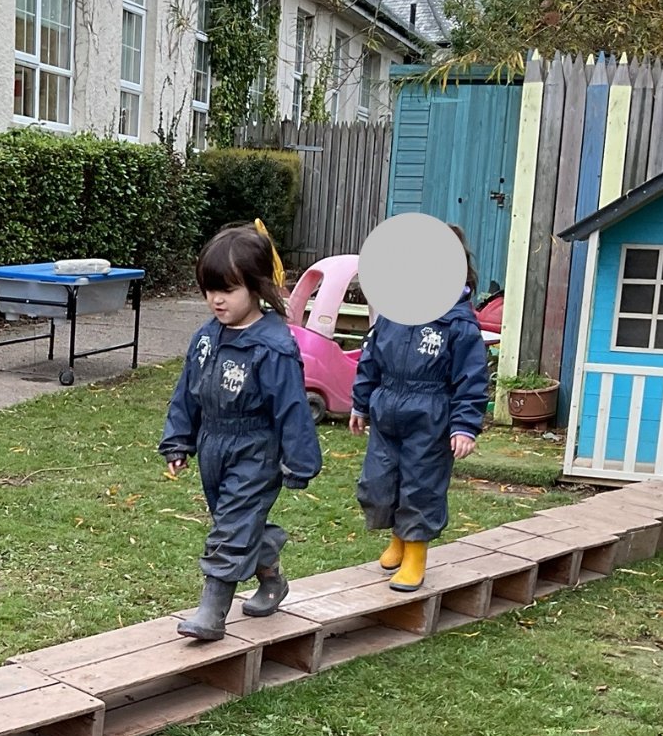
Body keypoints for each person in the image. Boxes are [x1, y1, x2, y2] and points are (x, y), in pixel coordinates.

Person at [161, 222, 323, 642]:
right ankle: (272, 576)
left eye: (227, 290)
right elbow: (187, 392)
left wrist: (300, 460)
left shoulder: (273, 346)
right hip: (214, 445)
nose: (216, 299)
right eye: (209, 289)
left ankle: (212, 613)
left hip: (255, 449)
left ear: (255, 286)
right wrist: (178, 439)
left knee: (231, 528)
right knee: (236, 521)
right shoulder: (206, 338)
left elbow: (291, 407)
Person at [349, 228, 490, 592]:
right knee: (378, 482)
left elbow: (472, 378)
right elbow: (371, 358)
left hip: (431, 414)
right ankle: (398, 537)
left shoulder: (458, 324)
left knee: (420, 485)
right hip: (387, 409)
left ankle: (415, 553)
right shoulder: (393, 313)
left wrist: (464, 425)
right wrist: (361, 403)